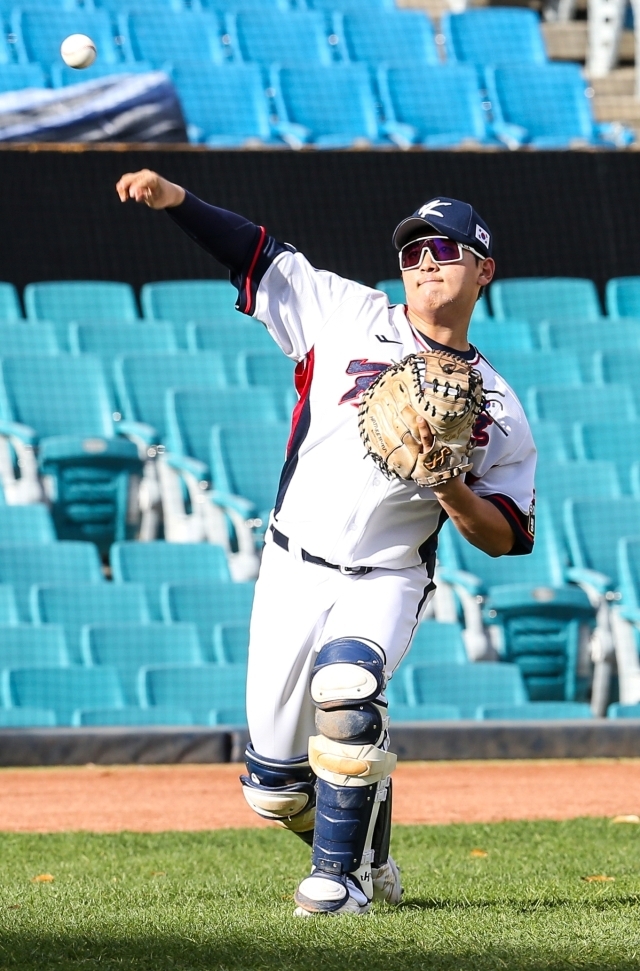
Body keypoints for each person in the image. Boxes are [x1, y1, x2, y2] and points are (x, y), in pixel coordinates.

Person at [116, 173, 536, 917]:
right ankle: (369, 849)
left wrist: (449, 486)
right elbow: (256, 253)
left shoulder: (499, 406)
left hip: (387, 576)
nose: (424, 261)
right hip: (291, 563)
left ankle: (338, 882)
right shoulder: (345, 312)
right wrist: (177, 201)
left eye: (444, 248)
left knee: (346, 690)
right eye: (412, 251)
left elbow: (507, 536)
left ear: (484, 269)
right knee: (273, 789)